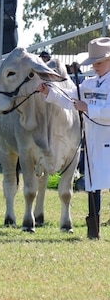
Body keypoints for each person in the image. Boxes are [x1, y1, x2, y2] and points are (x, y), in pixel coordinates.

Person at [40, 36, 110, 239]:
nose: (95, 67)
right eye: (93, 63)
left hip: (106, 137)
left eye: (99, 62)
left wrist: (88, 108)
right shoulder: (88, 84)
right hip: (93, 141)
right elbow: (70, 94)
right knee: (93, 183)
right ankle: (93, 223)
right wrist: (50, 91)